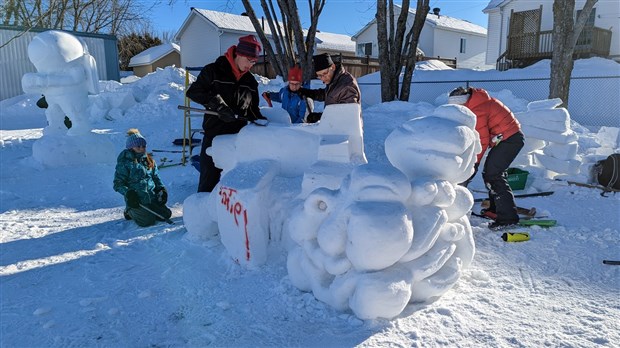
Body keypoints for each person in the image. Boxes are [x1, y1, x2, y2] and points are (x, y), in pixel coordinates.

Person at [186, 35, 266, 192]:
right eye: (249, 60)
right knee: (209, 185)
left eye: (254, 62)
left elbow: (253, 111)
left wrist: (262, 123)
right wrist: (218, 105)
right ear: (240, 54)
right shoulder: (214, 70)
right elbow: (193, 92)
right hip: (214, 137)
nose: (251, 65)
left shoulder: (250, 82)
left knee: (233, 187)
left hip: (238, 141)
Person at [448, 86, 524, 230]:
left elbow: (481, 141)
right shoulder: (475, 103)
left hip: (511, 139)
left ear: (462, 103)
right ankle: (496, 210)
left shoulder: (477, 110)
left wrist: (472, 164)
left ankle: (508, 218)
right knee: (489, 174)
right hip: (503, 138)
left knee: (494, 175)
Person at [113, 129, 172, 227]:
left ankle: (149, 207)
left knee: (166, 215)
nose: (141, 148)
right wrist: (129, 193)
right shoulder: (125, 163)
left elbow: (155, 177)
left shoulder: (149, 160)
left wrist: (161, 188)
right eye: (138, 146)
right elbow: (118, 184)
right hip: (137, 200)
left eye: (143, 146)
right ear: (131, 147)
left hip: (151, 197)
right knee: (147, 221)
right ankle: (129, 211)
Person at [298, 53, 361, 122]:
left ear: (333, 67)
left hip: (345, 131)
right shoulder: (334, 80)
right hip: (334, 128)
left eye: (324, 73)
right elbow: (328, 94)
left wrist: (320, 117)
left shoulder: (347, 85)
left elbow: (346, 115)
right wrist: (309, 93)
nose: (322, 78)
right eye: (319, 75)